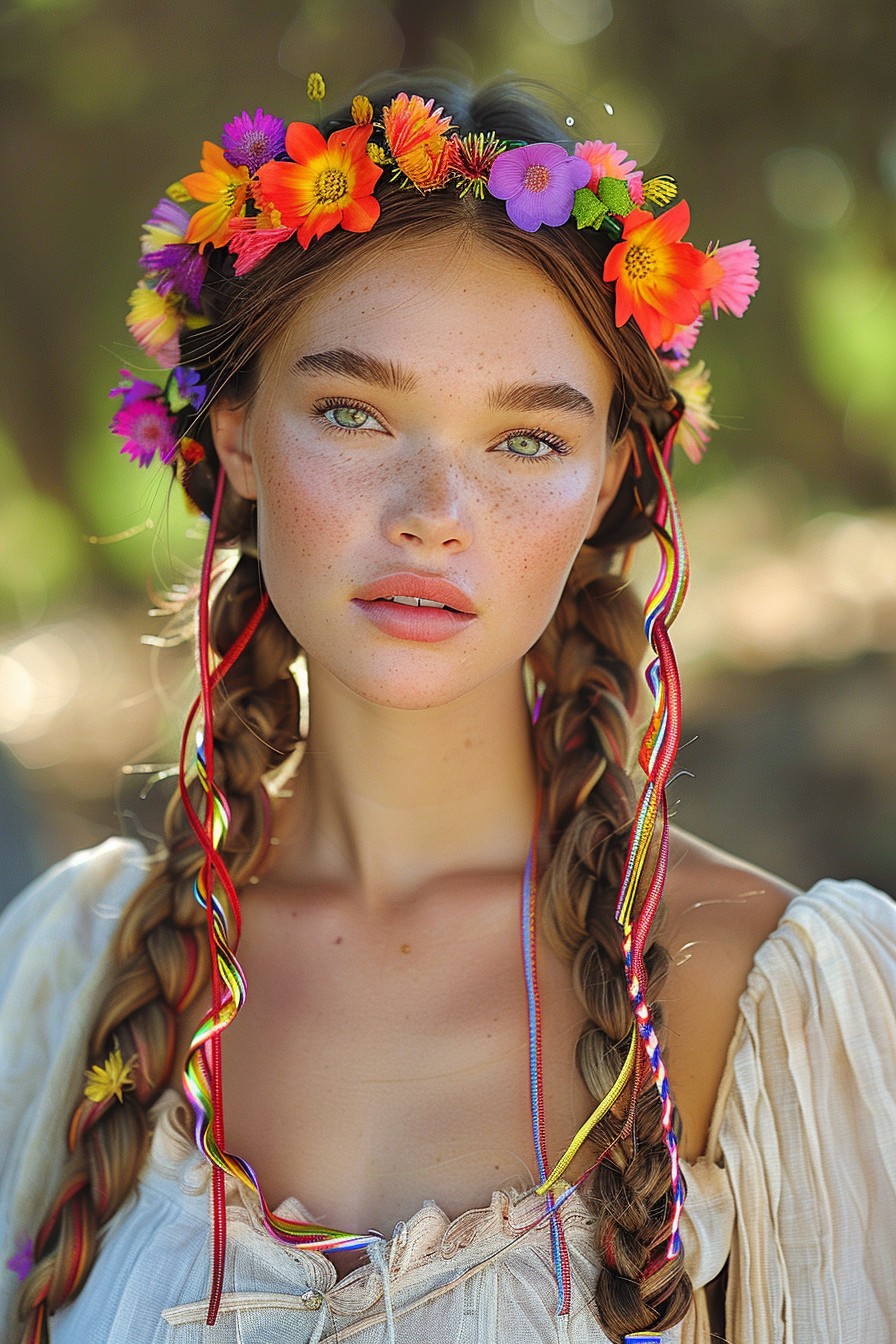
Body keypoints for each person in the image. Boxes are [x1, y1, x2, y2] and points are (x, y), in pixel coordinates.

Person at [1, 73, 894, 1344]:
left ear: (607, 486)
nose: (433, 509)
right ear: (242, 435)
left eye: (524, 440)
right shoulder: (71, 971)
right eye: (355, 412)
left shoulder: (761, 998)